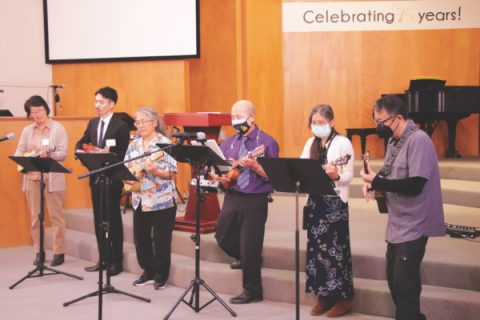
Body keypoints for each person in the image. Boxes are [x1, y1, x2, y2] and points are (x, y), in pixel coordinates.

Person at [360, 95, 445, 320]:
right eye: (375, 122)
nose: (378, 127)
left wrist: (377, 181)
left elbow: (415, 184)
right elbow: (388, 176)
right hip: (397, 223)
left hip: (415, 222)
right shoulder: (394, 141)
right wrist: (373, 184)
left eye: (381, 122)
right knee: (394, 281)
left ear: (398, 118)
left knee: (405, 287)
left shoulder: (419, 140)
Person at [213, 99, 279, 304]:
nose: (235, 121)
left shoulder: (266, 142)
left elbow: (273, 176)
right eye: (232, 117)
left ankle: (253, 290)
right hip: (233, 194)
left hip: (255, 197)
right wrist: (220, 178)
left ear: (252, 117)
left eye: (239, 117)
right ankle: (247, 258)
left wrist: (255, 166)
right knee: (222, 235)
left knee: (250, 244)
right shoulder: (229, 142)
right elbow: (222, 171)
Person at [300, 104, 355, 317]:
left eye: (321, 122)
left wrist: (336, 176)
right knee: (316, 251)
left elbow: (349, 174)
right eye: (314, 123)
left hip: (334, 204)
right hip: (315, 202)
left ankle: (343, 298)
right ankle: (323, 295)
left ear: (331, 122)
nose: (317, 126)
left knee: (336, 251)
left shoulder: (343, 143)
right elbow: (302, 167)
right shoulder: (310, 143)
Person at [75, 86, 130, 276]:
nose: (97, 105)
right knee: (99, 219)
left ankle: (116, 261)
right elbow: (80, 143)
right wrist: (84, 151)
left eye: (101, 102)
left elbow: (124, 154)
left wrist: (110, 155)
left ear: (112, 104)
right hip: (96, 177)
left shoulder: (121, 125)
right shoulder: (92, 123)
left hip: (112, 178)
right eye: (96, 101)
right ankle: (103, 259)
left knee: (112, 218)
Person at [124, 107, 177, 290]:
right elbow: (127, 170)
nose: (140, 126)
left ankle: (161, 274)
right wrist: (130, 189)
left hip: (161, 199)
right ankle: (148, 270)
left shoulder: (165, 143)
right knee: (141, 238)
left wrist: (155, 171)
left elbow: (171, 174)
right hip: (140, 198)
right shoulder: (134, 145)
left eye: (143, 121)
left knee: (162, 240)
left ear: (154, 122)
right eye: (137, 122)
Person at [15, 95, 68, 267]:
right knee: (35, 218)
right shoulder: (27, 131)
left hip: (51, 177)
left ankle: (59, 251)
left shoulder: (57, 128)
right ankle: (39, 251)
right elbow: (19, 152)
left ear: (46, 109)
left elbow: (63, 153)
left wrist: (50, 154)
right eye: (33, 112)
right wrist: (25, 158)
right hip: (32, 177)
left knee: (56, 217)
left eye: (40, 110)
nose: (37, 115)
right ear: (29, 114)